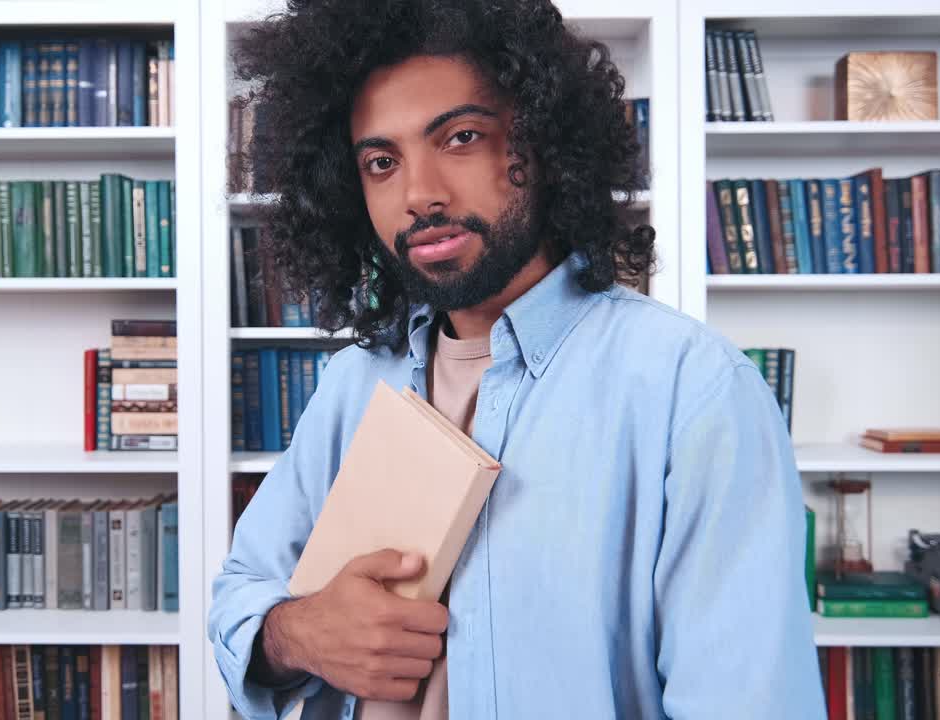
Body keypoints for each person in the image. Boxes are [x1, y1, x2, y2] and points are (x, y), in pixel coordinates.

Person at [208, 1, 825, 718]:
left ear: (541, 143)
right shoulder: (353, 384)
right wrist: (299, 635)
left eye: (461, 137)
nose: (420, 194)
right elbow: (243, 589)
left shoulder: (691, 391)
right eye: (382, 162)